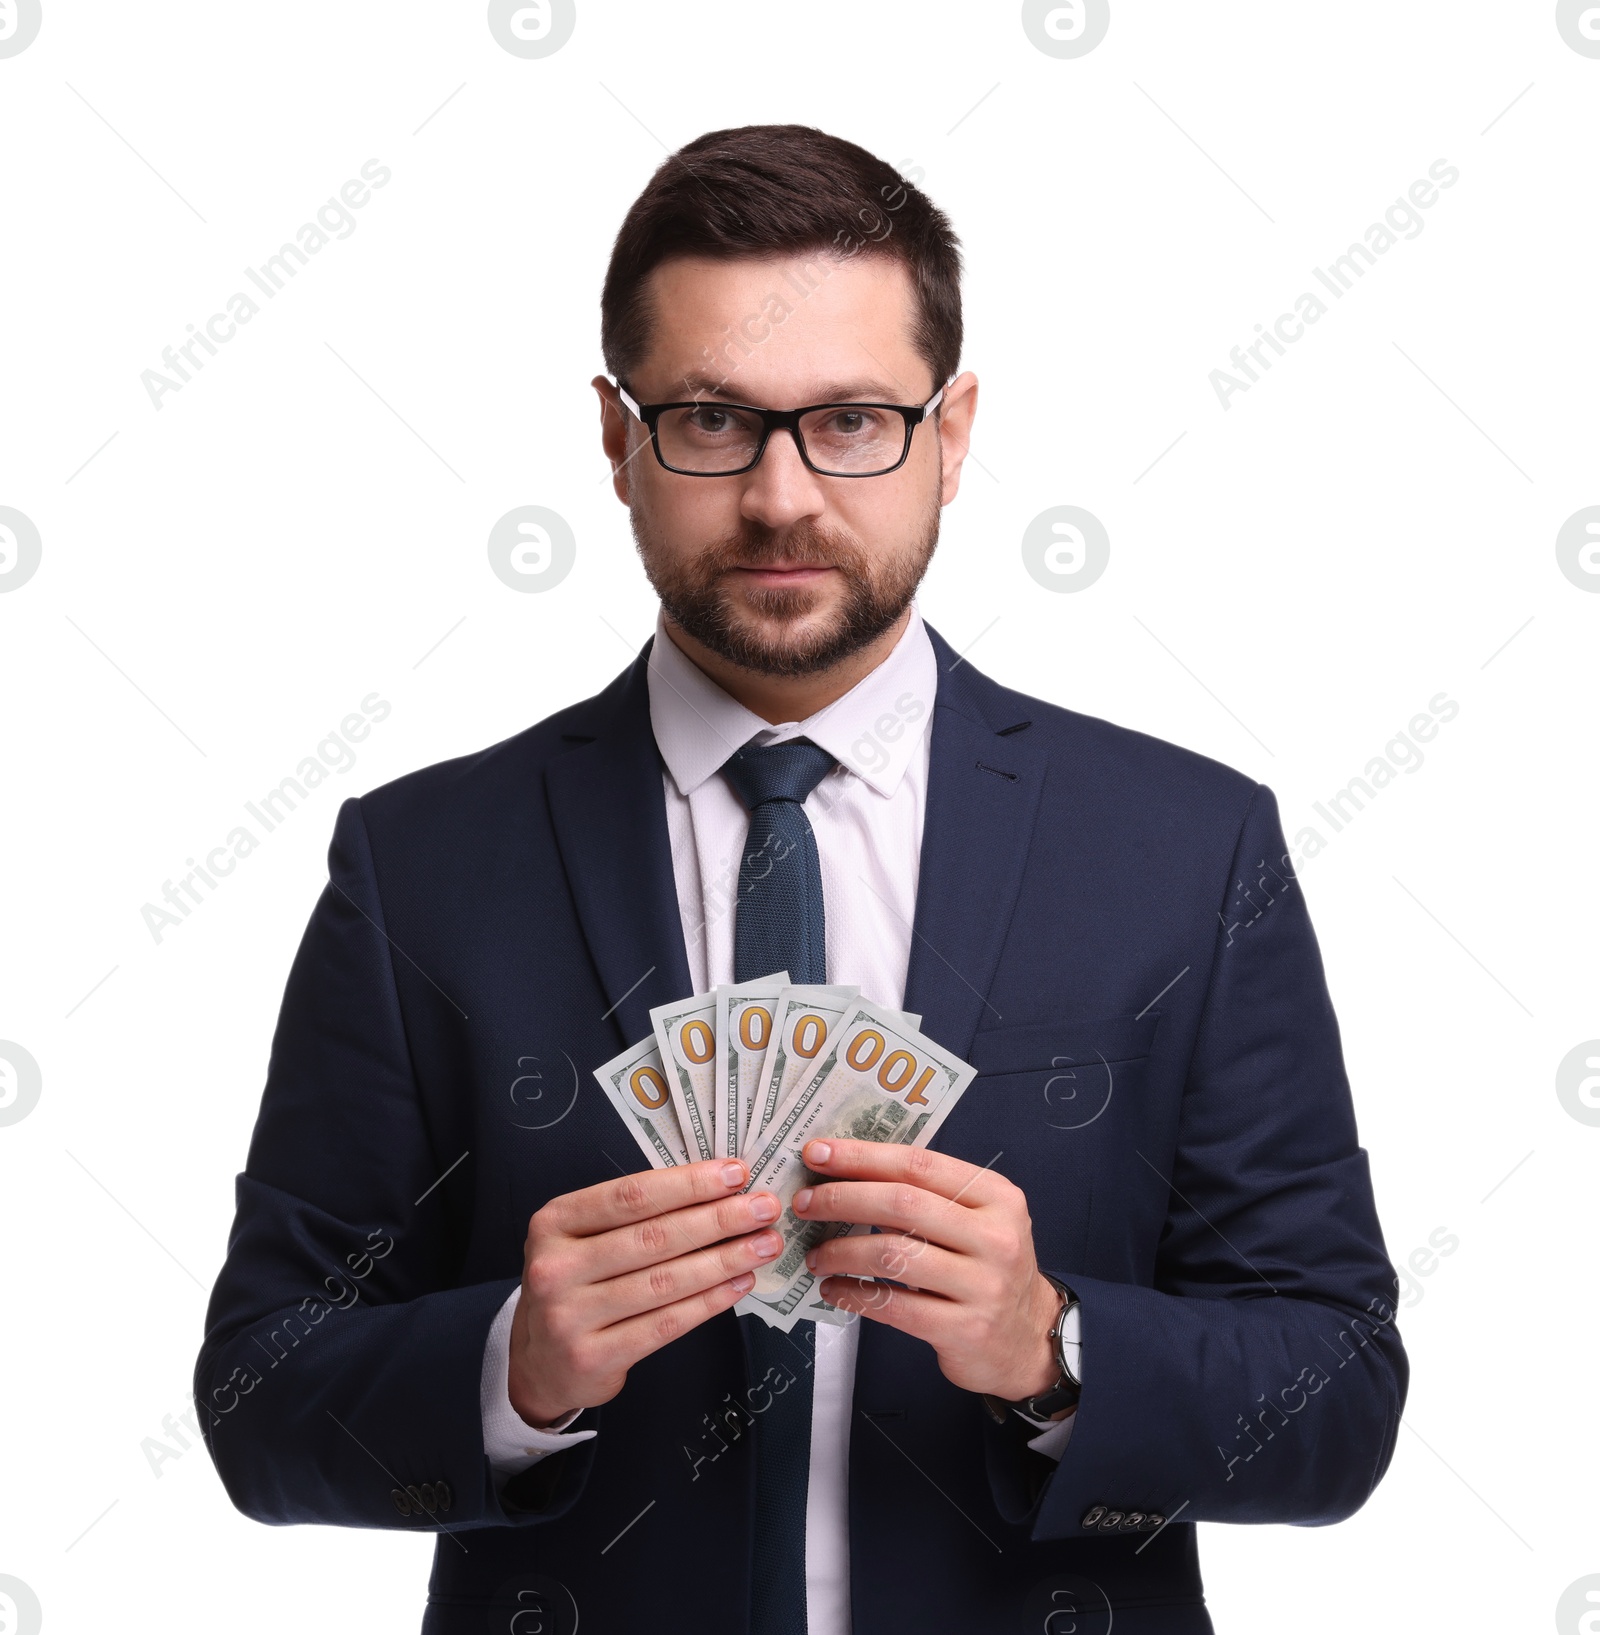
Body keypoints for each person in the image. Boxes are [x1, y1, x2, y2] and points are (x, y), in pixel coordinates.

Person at [195, 124, 1407, 1635]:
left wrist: (1054, 1344)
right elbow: (259, 1399)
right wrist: (509, 1364)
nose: (780, 498)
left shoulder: (1185, 848)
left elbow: (1340, 1397)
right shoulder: (422, 863)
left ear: (952, 433)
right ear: (617, 436)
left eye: (850, 421)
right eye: (710, 419)